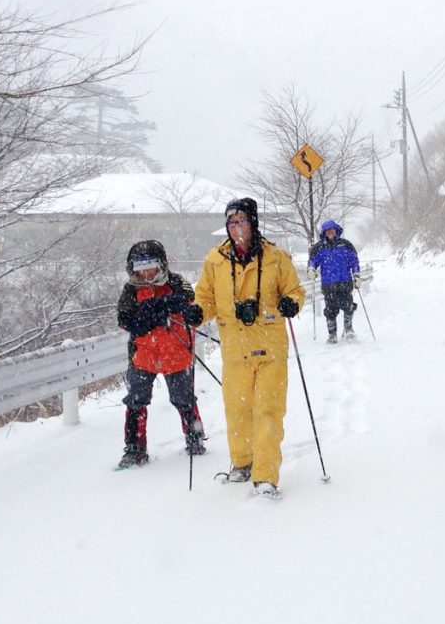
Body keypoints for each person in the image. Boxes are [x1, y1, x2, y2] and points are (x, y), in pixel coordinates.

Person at [184, 198, 305, 498]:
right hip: (235, 350)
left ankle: (265, 476)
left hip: (270, 349)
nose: (237, 227)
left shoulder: (276, 257)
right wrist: (198, 312)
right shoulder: (215, 260)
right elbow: (206, 298)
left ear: (254, 223)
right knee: (237, 410)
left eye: (242, 221)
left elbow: (295, 290)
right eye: (232, 222)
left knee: (267, 410)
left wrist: (291, 303)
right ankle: (242, 464)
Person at [116, 240, 205, 469]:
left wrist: (161, 305)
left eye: (151, 266)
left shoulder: (177, 282)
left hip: (176, 354)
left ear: (162, 265)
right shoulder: (131, 290)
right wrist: (155, 313)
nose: (146, 273)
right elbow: (126, 320)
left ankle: (194, 438)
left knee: (184, 399)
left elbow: (189, 302)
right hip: (142, 357)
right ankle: (135, 449)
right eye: (139, 268)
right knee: (136, 402)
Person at [307, 219, 361, 344]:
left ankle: (348, 329)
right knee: (330, 312)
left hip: (345, 284)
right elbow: (313, 260)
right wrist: (311, 269)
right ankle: (332, 335)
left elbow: (354, 261)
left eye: (332, 230)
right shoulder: (319, 247)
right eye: (328, 231)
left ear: (336, 231)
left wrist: (356, 275)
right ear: (324, 233)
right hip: (328, 286)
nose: (330, 233)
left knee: (348, 307)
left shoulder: (346, 245)